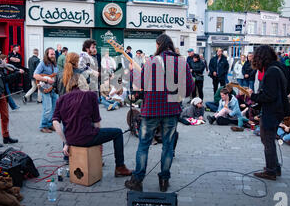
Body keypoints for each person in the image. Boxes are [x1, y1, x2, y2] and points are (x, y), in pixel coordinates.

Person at [125, 33, 194, 192]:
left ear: (159, 45)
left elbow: (140, 84)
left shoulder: (151, 62)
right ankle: (164, 180)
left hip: (151, 110)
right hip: (171, 110)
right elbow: (189, 88)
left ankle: (137, 180)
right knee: (168, 146)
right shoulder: (181, 62)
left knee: (143, 145)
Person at [52, 75, 132, 178]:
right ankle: (120, 167)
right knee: (117, 132)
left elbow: (55, 123)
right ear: (84, 83)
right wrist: (100, 142)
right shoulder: (91, 95)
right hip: (88, 137)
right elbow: (96, 123)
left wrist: (66, 142)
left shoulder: (61, 99)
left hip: (71, 139)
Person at [248, 45, 290, 180]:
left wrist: (253, 96)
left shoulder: (270, 72)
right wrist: (281, 94)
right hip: (278, 109)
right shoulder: (279, 66)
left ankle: (271, 171)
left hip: (272, 110)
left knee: (267, 139)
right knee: (269, 138)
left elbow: (269, 96)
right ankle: (275, 167)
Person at [33, 47, 59, 134]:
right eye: (51, 54)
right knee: (47, 108)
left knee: (54, 108)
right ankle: (43, 126)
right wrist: (47, 80)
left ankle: (50, 124)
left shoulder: (55, 64)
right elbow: (35, 75)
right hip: (45, 88)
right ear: (47, 55)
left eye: (54, 54)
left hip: (53, 89)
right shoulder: (42, 64)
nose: (53, 56)